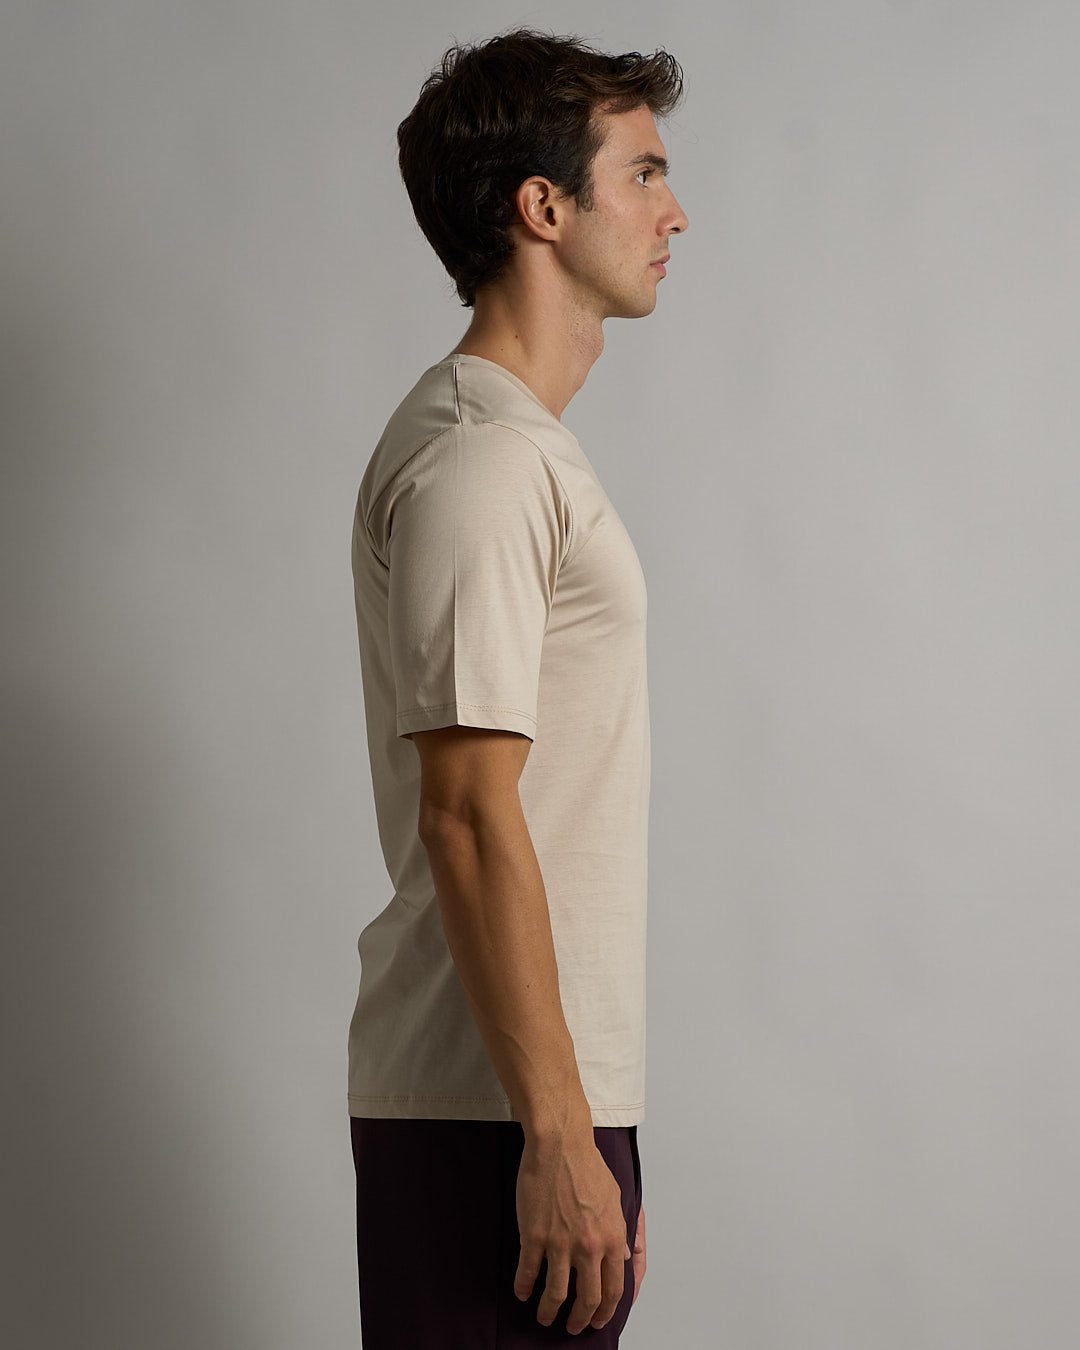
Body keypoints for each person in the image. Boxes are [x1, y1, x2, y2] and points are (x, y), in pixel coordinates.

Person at [347, 26, 689, 1347]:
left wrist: (590, 1122)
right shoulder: (481, 461)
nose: (673, 212)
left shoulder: (518, 450)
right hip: (490, 1109)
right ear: (543, 207)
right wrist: (556, 1133)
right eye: (643, 173)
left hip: (531, 1099)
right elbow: (469, 814)